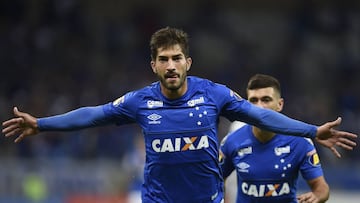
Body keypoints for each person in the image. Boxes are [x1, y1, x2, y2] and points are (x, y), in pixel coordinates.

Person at [2, 27, 357, 203]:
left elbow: (262, 117)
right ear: (153, 65)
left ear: (188, 62)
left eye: (176, 58)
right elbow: (94, 115)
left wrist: (312, 131)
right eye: (164, 60)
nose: (171, 66)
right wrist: (42, 124)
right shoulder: (140, 101)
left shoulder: (214, 94)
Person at [220, 74, 330, 203]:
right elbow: (213, 181)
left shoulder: (300, 142)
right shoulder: (232, 140)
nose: (259, 107)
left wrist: (317, 196)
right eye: (253, 101)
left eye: (266, 100)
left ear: (279, 104)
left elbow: (321, 188)